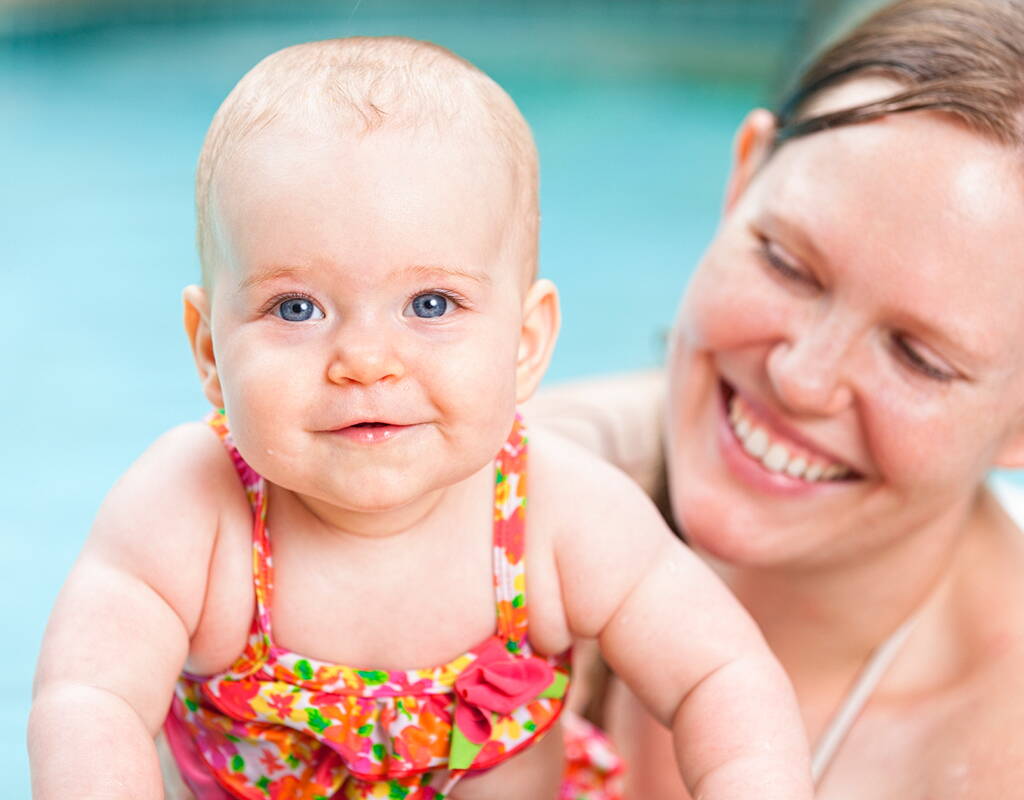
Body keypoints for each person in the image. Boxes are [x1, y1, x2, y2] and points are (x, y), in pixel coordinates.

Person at [27, 37, 814, 800]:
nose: (366, 359)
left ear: (526, 343)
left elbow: (722, 677)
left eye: (430, 304)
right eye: (294, 307)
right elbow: (89, 701)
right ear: (208, 351)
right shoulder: (191, 510)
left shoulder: (560, 514)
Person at [528, 0, 1024, 796]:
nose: (802, 378)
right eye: (788, 265)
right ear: (742, 176)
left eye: (918, 357)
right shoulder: (522, 490)